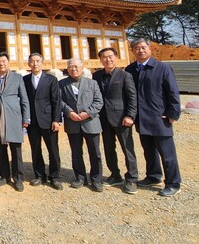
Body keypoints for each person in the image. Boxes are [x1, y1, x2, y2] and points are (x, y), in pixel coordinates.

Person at [125, 38, 182, 197]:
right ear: (132, 51)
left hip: (159, 117)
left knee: (167, 153)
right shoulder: (130, 70)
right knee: (148, 151)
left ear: (149, 49)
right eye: (136, 48)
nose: (140, 50)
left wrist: (173, 113)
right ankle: (153, 176)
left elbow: (173, 92)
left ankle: (173, 183)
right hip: (141, 119)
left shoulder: (162, 68)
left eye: (143, 47)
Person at [93, 47, 138, 195]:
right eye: (104, 57)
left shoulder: (125, 75)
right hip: (103, 119)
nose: (108, 59)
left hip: (121, 118)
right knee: (108, 148)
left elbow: (132, 97)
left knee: (127, 148)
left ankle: (132, 178)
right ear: (100, 60)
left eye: (110, 56)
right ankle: (115, 174)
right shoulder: (97, 76)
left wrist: (130, 116)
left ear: (116, 57)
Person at [0, 52, 30, 192]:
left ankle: (18, 178)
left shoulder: (17, 78)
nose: (1, 63)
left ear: (8, 62)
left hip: (14, 117)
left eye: (4, 61)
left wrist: (26, 117)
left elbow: (24, 99)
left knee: (16, 149)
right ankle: (4, 175)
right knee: (1, 148)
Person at [60, 58, 104, 192]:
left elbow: (98, 102)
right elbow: (59, 101)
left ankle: (96, 179)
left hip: (90, 122)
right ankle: (80, 177)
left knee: (95, 152)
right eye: (71, 67)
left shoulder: (92, 83)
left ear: (82, 67)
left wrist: (87, 113)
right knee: (76, 152)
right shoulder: (61, 84)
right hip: (72, 122)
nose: (74, 69)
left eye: (76, 66)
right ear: (67, 69)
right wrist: (69, 112)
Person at [23, 53, 63, 190]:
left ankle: (55, 176)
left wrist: (56, 119)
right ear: (28, 63)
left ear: (42, 63)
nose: (35, 64)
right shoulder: (25, 79)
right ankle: (39, 175)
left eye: (37, 61)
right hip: (32, 121)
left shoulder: (51, 79)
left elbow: (56, 101)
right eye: (32, 61)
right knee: (35, 149)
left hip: (48, 119)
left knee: (53, 149)